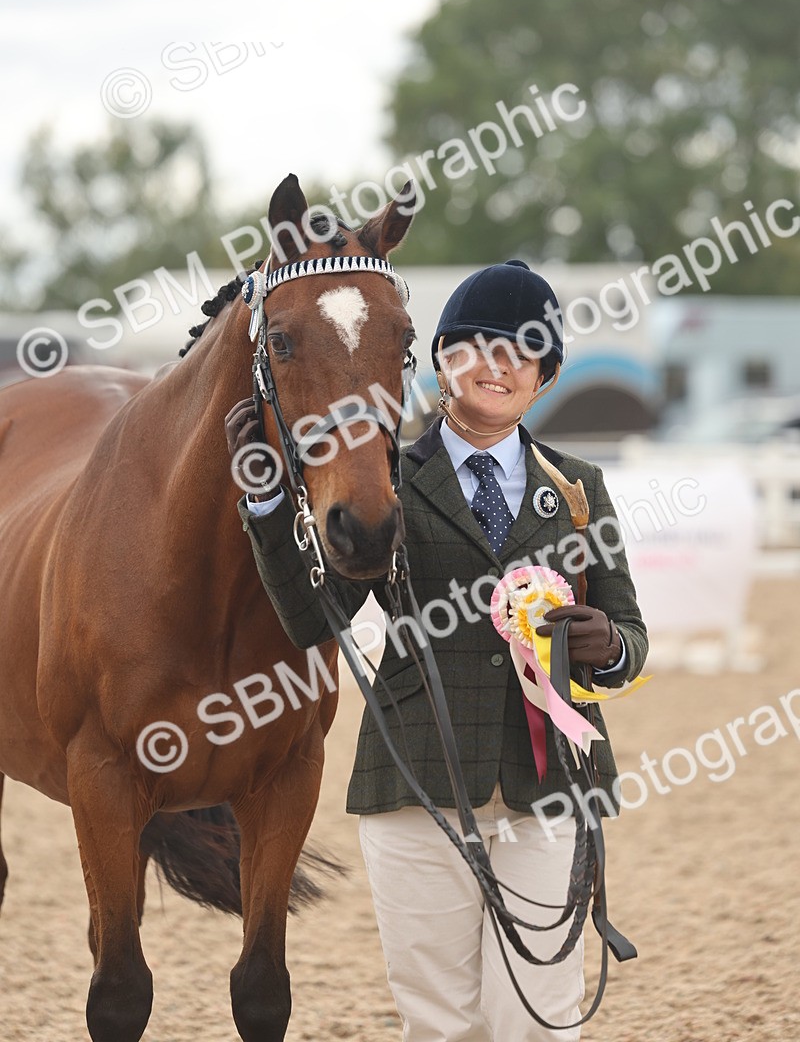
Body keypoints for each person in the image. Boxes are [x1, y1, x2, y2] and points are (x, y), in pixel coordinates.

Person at [226, 260, 648, 1042]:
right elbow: (314, 618)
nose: (497, 365)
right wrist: (263, 500)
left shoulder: (580, 488)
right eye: (477, 346)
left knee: (540, 1015)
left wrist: (610, 645)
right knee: (440, 1019)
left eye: (522, 352)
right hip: (416, 785)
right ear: (443, 358)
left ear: (545, 378)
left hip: (551, 783)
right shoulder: (385, 481)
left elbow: (629, 631)